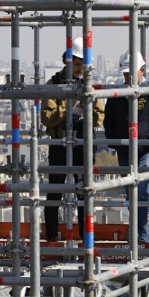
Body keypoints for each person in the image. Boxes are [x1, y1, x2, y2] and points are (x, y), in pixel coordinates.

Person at [41, 38, 104, 242]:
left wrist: (84, 110)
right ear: (68, 62)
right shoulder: (53, 84)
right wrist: (68, 109)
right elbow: (46, 117)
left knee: (84, 193)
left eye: (82, 65)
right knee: (54, 193)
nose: (79, 70)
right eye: (77, 64)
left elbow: (99, 116)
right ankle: (51, 237)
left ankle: (86, 238)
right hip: (59, 144)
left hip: (83, 145)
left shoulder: (88, 86)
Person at [104, 51, 149, 244]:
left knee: (140, 190)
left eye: (130, 73)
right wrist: (117, 142)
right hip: (125, 151)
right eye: (124, 74)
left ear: (142, 71)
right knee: (132, 193)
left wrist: (148, 139)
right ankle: (138, 233)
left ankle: (140, 236)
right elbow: (109, 122)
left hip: (148, 150)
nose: (127, 77)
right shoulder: (117, 95)